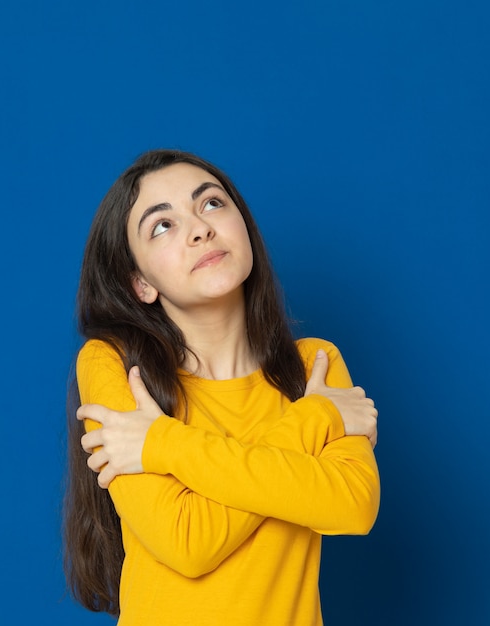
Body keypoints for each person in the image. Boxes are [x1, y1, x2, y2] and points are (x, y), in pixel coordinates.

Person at [63, 148, 380, 626]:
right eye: (162, 225)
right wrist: (317, 418)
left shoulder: (315, 363)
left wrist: (161, 443)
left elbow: (354, 507)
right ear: (140, 284)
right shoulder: (115, 365)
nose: (199, 228)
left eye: (211, 203)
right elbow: (187, 542)